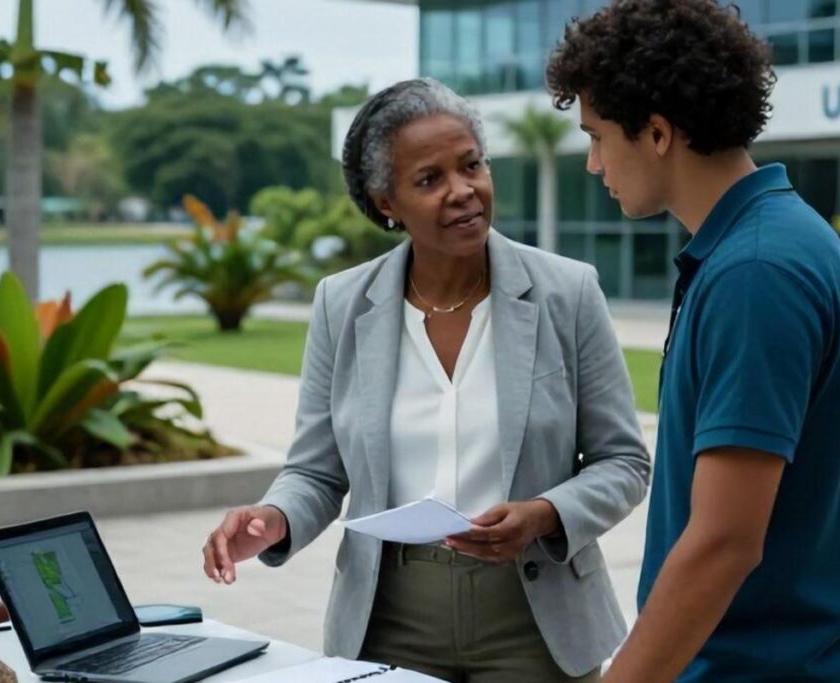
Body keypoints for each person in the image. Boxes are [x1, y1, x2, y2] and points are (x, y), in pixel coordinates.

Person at [201, 78, 651, 682]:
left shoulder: (567, 293)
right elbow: (316, 469)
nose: (463, 192)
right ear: (387, 202)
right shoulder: (342, 304)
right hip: (389, 619)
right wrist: (273, 518)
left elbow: (623, 461)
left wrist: (545, 511)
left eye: (472, 166)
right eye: (429, 180)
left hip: (536, 619)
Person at [545, 1, 840, 681]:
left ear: (657, 132)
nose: (593, 163)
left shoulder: (756, 271)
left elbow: (724, 541)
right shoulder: (773, 240)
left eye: (597, 136)